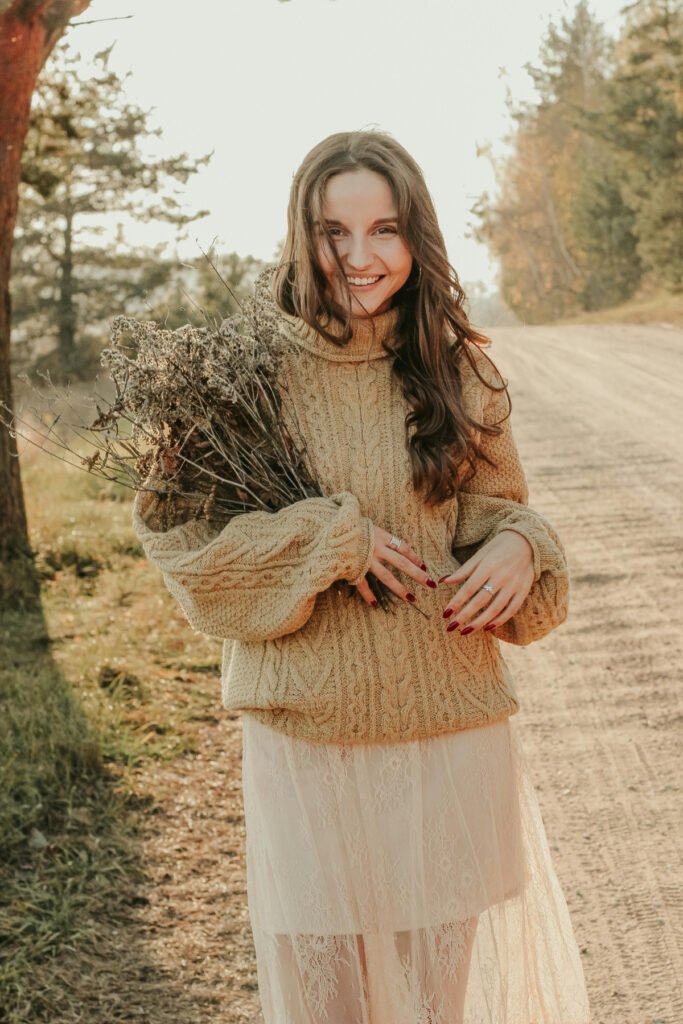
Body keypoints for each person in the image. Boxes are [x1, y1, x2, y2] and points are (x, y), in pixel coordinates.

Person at [133, 129, 592, 1023]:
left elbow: (493, 511)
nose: (356, 257)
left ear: (416, 239)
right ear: (298, 235)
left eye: (383, 230)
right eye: (330, 231)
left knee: (433, 1011)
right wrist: (324, 540)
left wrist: (522, 544)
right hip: (306, 744)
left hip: (447, 730)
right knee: (328, 1011)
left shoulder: (459, 371)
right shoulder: (239, 381)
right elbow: (181, 551)